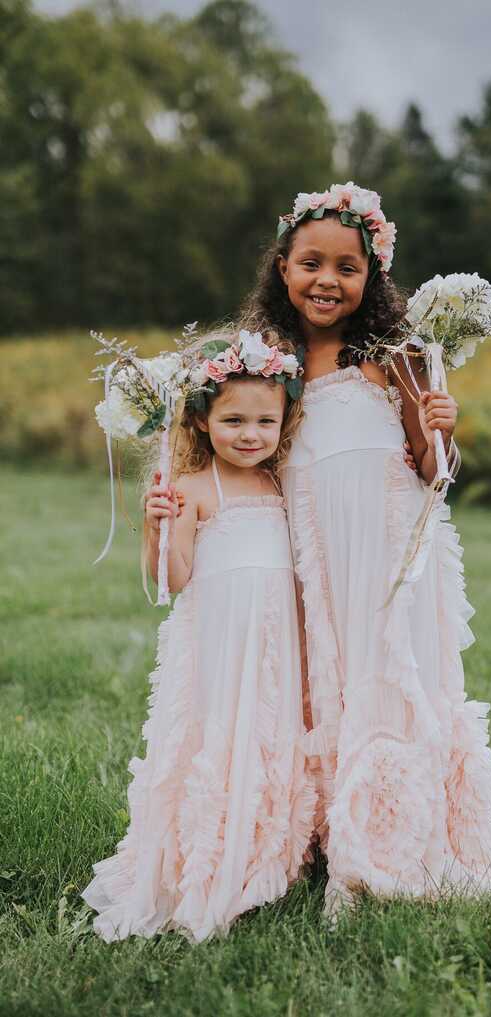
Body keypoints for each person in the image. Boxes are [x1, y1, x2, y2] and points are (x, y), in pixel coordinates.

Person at [242, 182, 491, 914]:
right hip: (316, 558)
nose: (327, 280)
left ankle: (397, 843)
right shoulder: (270, 366)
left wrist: (442, 424)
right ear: (283, 268)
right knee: (326, 683)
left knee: (390, 679)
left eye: (347, 266)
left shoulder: (394, 354)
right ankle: (331, 839)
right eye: (312, 263)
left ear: (372, 278)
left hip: (389, 554)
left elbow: (438, 471)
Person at [81, 331, 316, 942]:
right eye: (233, 419)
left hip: (274, 647)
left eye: (266, 420)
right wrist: (158, 528)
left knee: (270, 736)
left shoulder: (280, 485)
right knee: (220, 738)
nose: (250, 433)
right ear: (202, 420)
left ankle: (270, 858)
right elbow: (175, 579)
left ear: (283, 422)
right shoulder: (189, 489)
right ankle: (211, 856)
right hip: (219, 644)